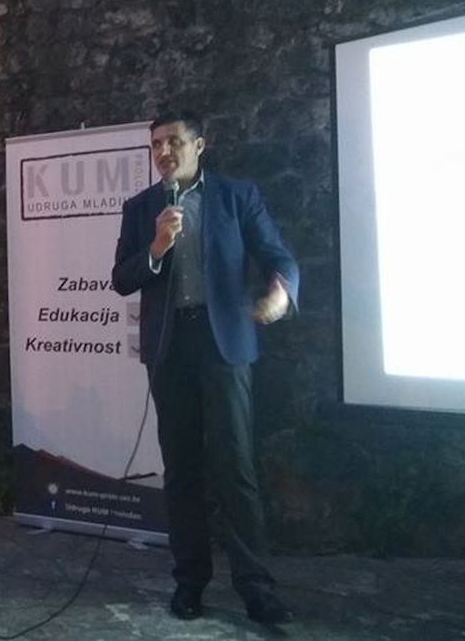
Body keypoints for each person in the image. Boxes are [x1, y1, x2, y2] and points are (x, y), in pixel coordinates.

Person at [112, 111, 299, 625]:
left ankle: (257, 590)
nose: (163, 151)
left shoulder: (236, 197)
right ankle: (189, 582)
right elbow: (122, 278)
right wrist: (155, 248)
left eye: (174, 141)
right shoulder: (141, 208)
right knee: (181, 470)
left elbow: (278, 256)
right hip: (169, 347)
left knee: (235, 468)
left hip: (224, 347)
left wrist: (281, 291)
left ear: (200, 145)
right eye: (156, 144)